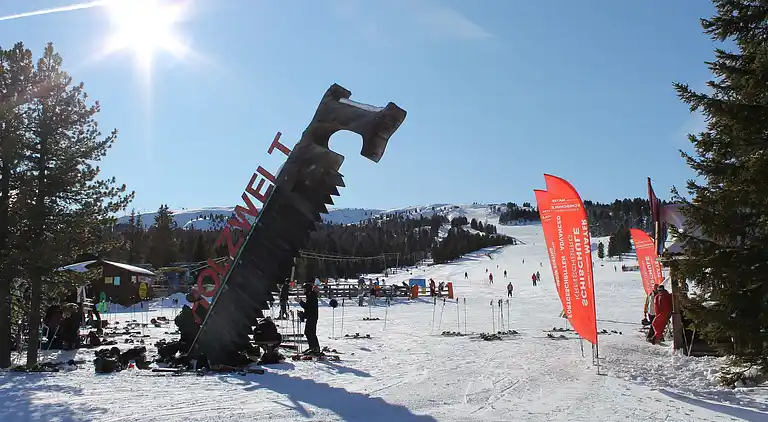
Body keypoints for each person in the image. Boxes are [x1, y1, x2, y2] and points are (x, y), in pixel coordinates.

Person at [297, 282, 321, 355]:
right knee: (309, 332)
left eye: (304, 289)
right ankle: (312, 347)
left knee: (310, 332)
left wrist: (300, 302)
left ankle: (315, 348)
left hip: (312, 316)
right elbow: (308, 309)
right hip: (311, 316)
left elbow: (308, 307)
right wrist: (303, 315)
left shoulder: (312, 296)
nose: (303, 291)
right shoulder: (310, 295)